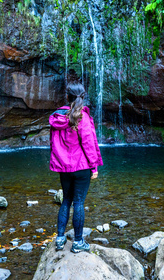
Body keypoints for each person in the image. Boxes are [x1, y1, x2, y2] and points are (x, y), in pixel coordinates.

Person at [49, 82, 103, 253]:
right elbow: (88, 144)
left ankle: (59, 238)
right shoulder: (82, 117)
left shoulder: (57, 117)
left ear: (67, 97)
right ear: (83, 97)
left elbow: (53, 143)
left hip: (64, 168)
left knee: (66, 200)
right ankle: (78, 242)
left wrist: (60, 162)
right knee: (78, 202)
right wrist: (93, 167)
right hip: (81, 167)